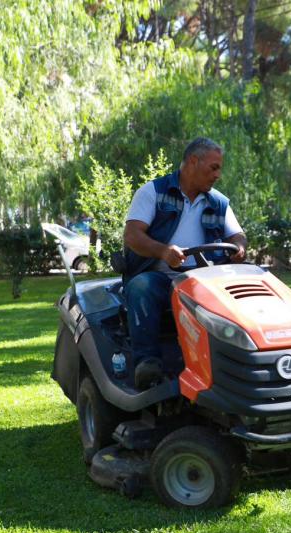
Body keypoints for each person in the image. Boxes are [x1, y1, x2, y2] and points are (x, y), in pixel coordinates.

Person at [122, 137, 247, 387]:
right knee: (141, 286)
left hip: (206, 280)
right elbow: (132, 235)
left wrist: (240, 246)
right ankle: (147, 363)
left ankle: (239, 361)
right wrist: (163, 252)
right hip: (162, 278)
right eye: (214, 167)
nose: (218, 175)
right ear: (193, 161)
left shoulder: (219, 201)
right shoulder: (153, 192)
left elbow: (237, 234)